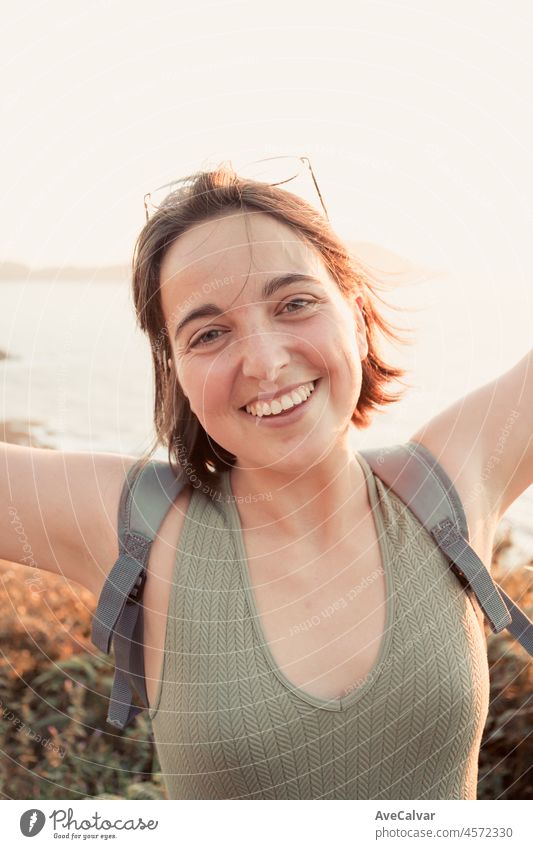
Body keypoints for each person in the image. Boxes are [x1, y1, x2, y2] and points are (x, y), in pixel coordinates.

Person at [1, 163, 531, 800]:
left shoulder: (447, 483)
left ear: (357, 318)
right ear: (177, 372)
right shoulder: (137, 526)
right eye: (209, 333)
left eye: (295, 303)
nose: (266, 360)